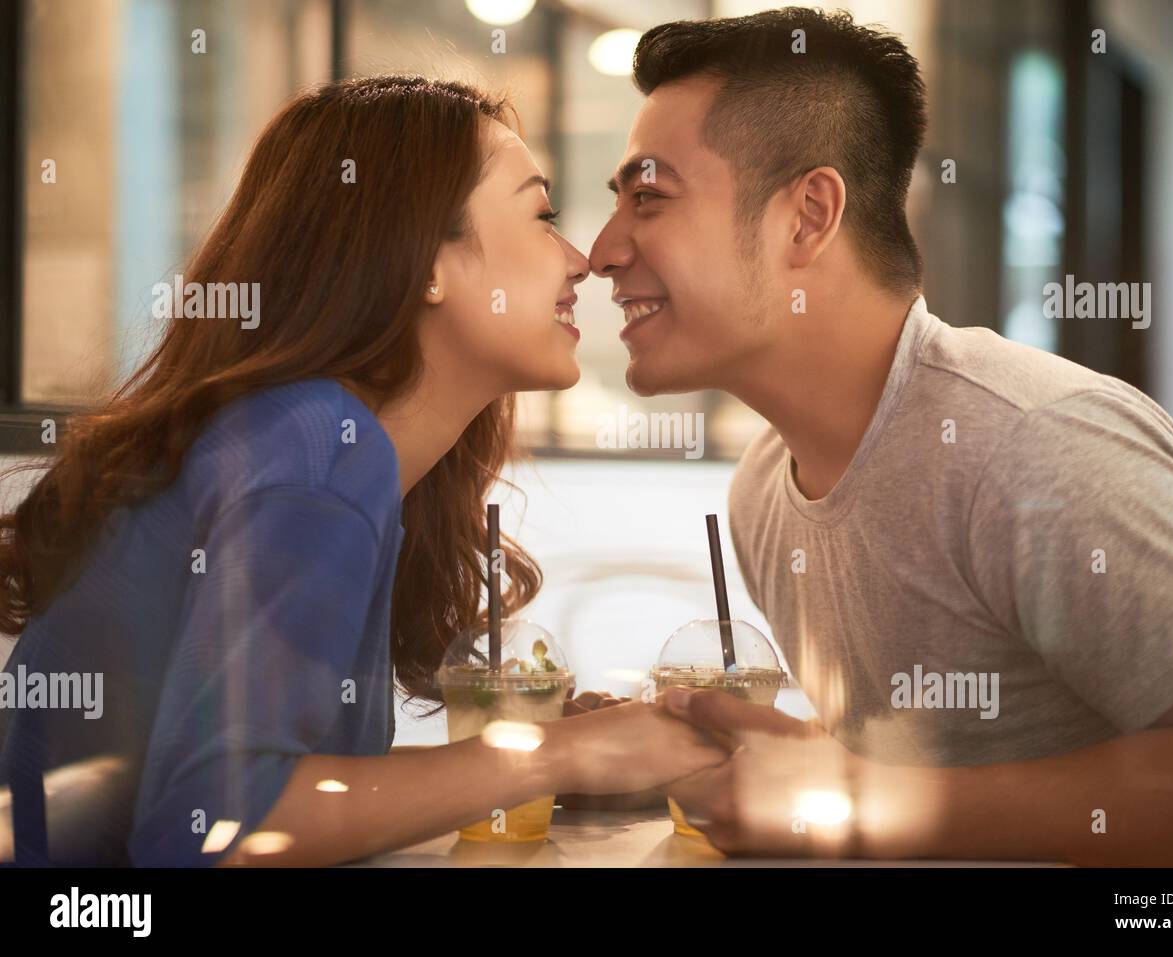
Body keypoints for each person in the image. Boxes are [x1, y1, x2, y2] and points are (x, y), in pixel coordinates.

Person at [589, 8, 1173, 865]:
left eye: (648, 198)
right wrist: (719, 757)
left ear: (807, 216)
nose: (601, 250)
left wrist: (858, 802)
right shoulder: (763, 490)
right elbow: (946, 766)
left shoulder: (1032, 443)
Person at [0, 75, 726, 867]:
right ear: (423, 264)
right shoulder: (319, 453)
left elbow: (272, 793)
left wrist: (556, 748)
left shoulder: (311, 440)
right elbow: (206, 831)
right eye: (542, 216)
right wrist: (557, 757)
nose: (582, 258)